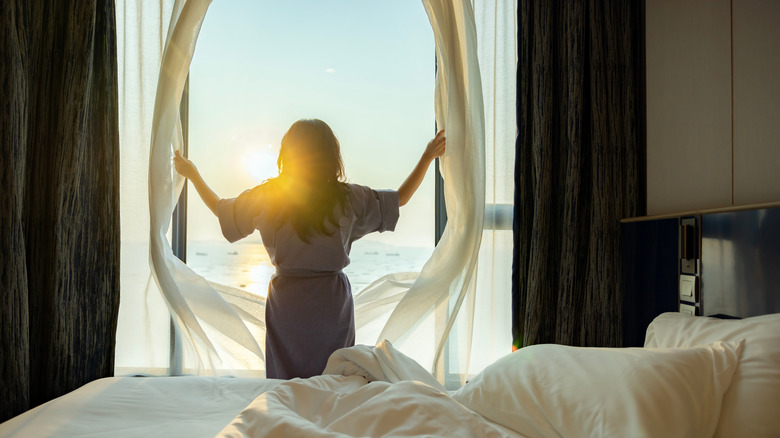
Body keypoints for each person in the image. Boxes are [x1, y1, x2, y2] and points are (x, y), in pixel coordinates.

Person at [174, 118, 445, 379]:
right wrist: (426, 157)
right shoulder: (348, 198)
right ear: (331, 155)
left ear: (289, 154)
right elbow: (399, 199)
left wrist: (194, 175)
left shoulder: (270, 196)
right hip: (332, 303)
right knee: (333, 380)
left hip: (287, 302)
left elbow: (222, 210)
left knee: (287, 383)